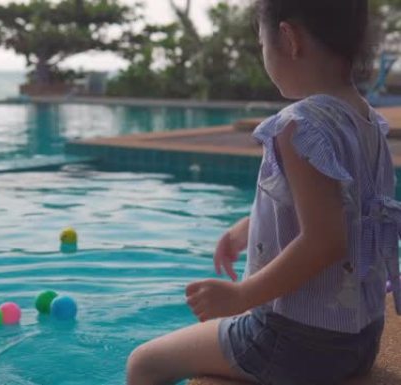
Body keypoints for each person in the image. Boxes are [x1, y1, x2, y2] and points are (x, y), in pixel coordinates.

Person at [126, 0, 401, 384]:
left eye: (261, 44)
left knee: (144, 363)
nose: (264, 57)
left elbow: (325, 241)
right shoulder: (368, 121)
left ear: (288, 38)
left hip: (296, 346)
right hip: (359, 339)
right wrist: (246, 228)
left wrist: (243, 296)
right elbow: (339, 210)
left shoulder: (298, 125)